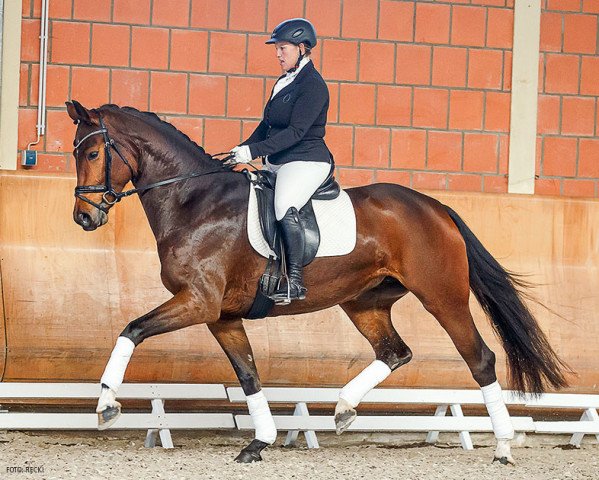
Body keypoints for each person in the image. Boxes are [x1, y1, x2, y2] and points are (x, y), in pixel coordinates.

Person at [230, 18, 333, 303]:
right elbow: (267, 125)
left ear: (302, 48)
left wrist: (254, 152)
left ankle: (294, 281)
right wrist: (242, 148)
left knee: (283, 205)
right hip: (278, 160)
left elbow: (297, 132)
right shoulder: (284, 81)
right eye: (277, 48)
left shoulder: (313, 85)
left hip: (305, 160)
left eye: (283, 48)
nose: (278, 54)